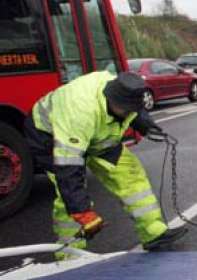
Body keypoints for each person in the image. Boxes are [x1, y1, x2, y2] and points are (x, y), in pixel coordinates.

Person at [23, 71, 187, 260]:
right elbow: (68, 170)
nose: (130, 113)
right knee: (68, 197)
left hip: (98, 134)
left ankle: (153, 232)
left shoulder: (120, 90)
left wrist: (145, 124)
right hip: (50, 137)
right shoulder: (80, 113)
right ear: (112, 101)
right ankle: (69, 253)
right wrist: (83, 212)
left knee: (130, 174)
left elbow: (134, 109)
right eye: (127, 110)